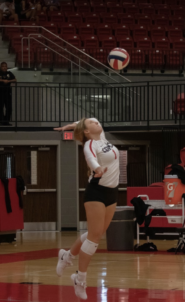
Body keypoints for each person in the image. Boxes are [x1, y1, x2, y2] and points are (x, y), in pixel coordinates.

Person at [54, 118, 120, 299]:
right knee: (94, 239)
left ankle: (66, 256)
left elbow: (84, 122)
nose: (96, 121)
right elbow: (90, 158)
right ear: (87, 132)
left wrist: (70, 125)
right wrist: (98, 168)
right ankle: (79, 279)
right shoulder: (90, 143)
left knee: (97, 233)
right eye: (92, 123)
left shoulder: (102, 138)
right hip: (96, 193)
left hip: (113, 193)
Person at [0, 62, 16, 126]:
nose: (4, 67)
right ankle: (2, 121)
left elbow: (15, 80)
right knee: (0, 108)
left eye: (5, 66)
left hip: (7, 93)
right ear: (0, 67)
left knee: (9, 108)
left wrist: (8, 81)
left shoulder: (9, 73)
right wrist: (3, 80)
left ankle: (6, 121)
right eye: (3, 66)